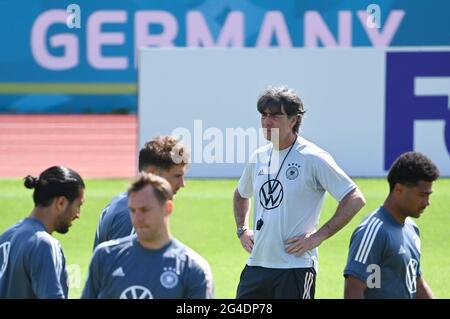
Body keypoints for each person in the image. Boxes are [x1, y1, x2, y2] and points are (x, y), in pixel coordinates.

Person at [233, 85, 366, 299]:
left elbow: (354, 198)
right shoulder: (258, 156)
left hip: (295, 268)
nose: (267, 121)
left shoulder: (313, 157)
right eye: (264, 115)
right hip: (256, 266)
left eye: (275, 115)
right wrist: (242, 229)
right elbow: (241, 194)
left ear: (294, 120)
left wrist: (318, 236)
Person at [82, 172, 214, 299]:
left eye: (145, 210)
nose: (137, 218)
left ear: (167, 208)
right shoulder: (105, 256)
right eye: (133, 210)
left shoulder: (192, 268)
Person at [344, 151, 439, 299]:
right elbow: (353, 292)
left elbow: (416, 283)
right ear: (399, 189)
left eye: (428, 195)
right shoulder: (373, 231)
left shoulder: (412, 229)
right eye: (422, 195)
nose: (427, 203)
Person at [0, 166, 85, 299]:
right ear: (61, 202)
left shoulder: (6, 236)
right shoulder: (43, 244)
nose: (78, 214)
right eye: (78, 205)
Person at [93, 135, 189, 248]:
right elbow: (123, 264)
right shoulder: (130, 215)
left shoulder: (125, 204)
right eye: (177, 176)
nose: (182, 184)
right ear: (152, 173)